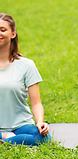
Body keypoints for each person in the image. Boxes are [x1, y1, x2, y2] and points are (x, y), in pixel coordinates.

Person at [0, 13, 50, 146]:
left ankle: (5, 139)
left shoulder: (26, 65)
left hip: (20, 125)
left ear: (13, 34)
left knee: (43, 138)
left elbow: (36, 103)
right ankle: (6, 137)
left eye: (3, 30)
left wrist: (40, 122)